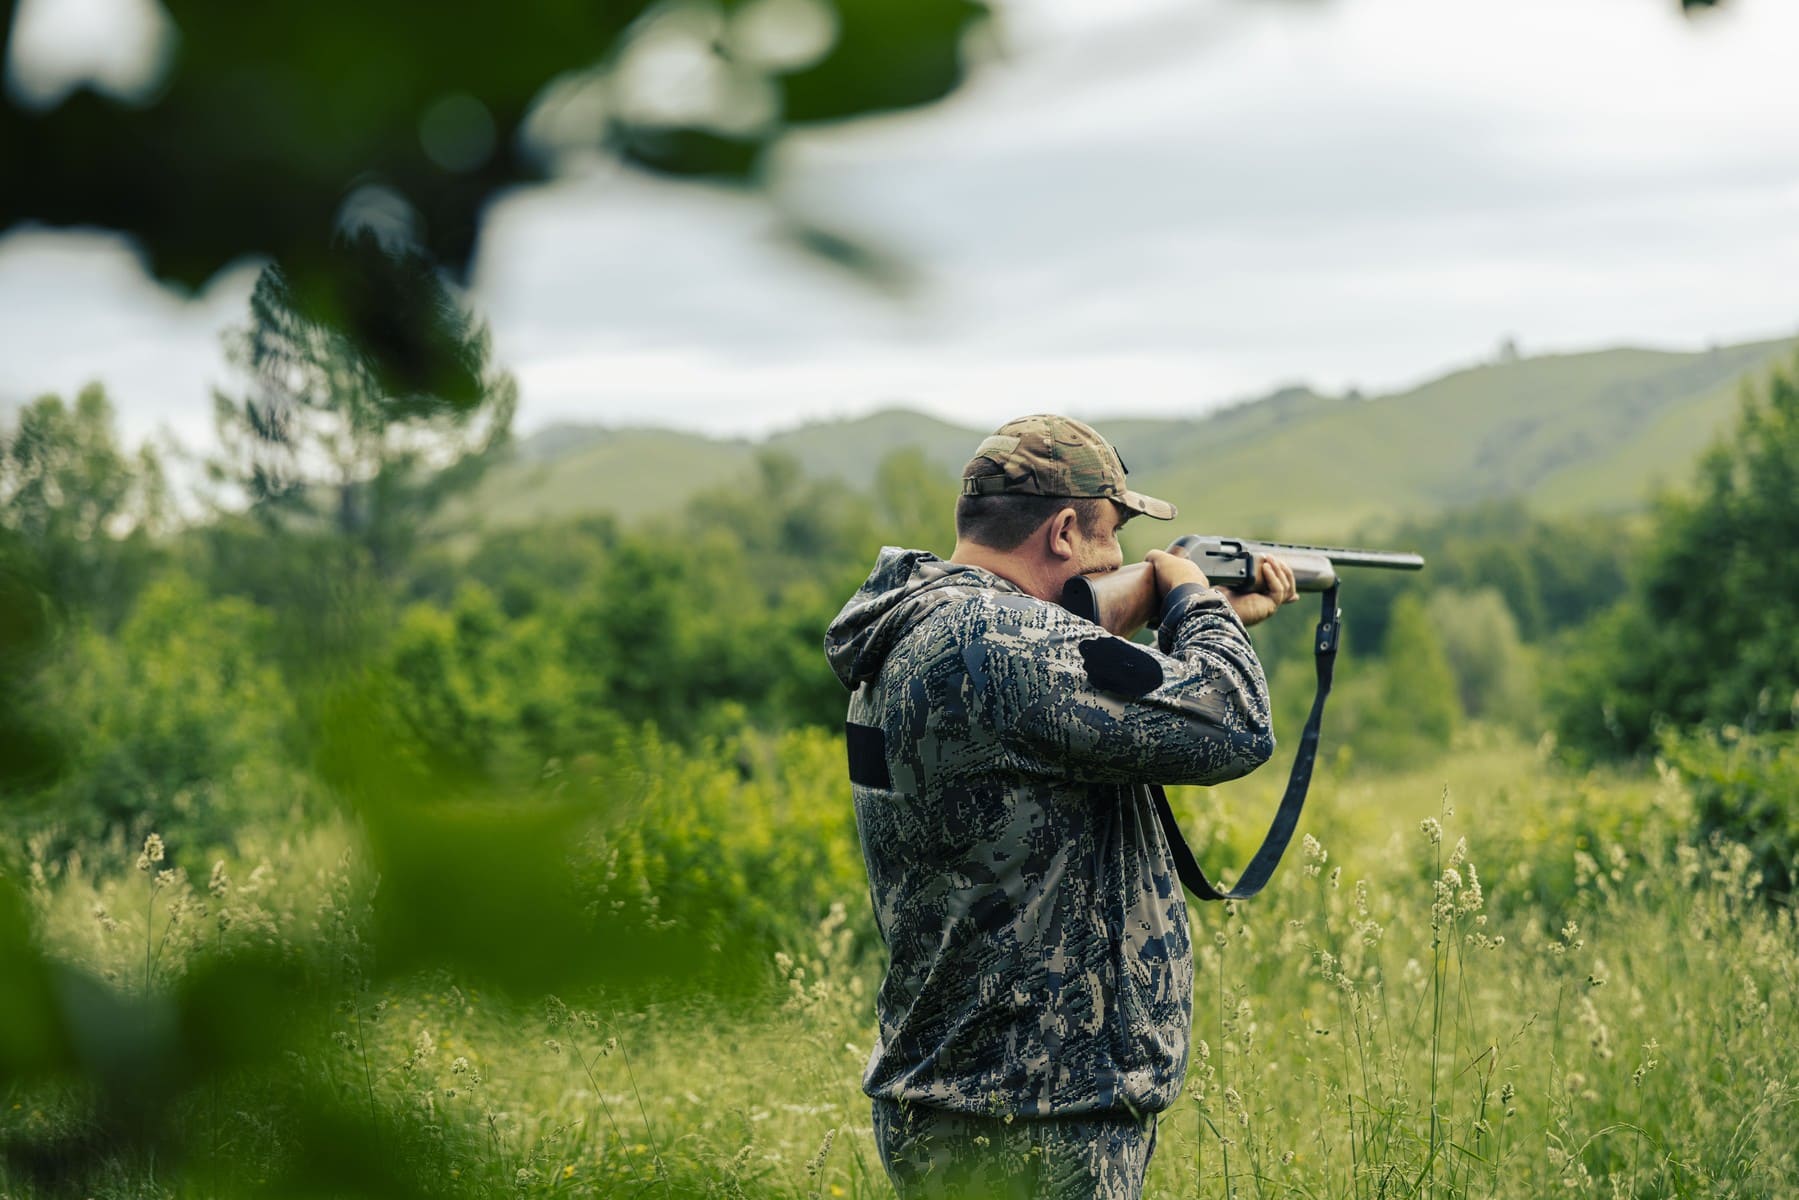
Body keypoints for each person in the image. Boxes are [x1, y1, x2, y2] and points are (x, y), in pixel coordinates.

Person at [822, 414, 1298, 1199]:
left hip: (949, 1097)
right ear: (1065, 528)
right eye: (1113, 535)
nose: (1120, 558)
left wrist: (1186, 618)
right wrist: (1191, 604)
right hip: (1039, 1113)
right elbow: (1235, 723)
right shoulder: (1006, 644)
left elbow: (1059, 677)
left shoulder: (923, 630)